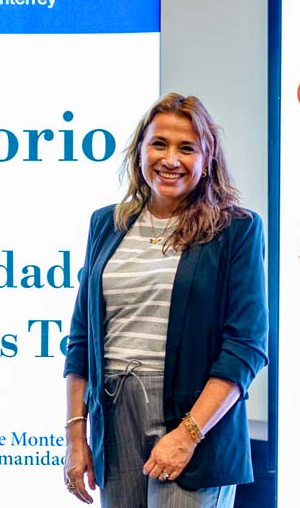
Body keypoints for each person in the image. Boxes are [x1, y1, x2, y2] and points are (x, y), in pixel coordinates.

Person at [62, 93, 267, 507]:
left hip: (196, 424)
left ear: (207, 158)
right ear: (139, 151)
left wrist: (188, 434)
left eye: (186, 148)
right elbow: (81, 340)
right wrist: (75, 437)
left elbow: (246, 346)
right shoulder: (106, 223)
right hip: (115, 416)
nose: (170, 159)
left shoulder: (236, 229)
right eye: (159, 144)